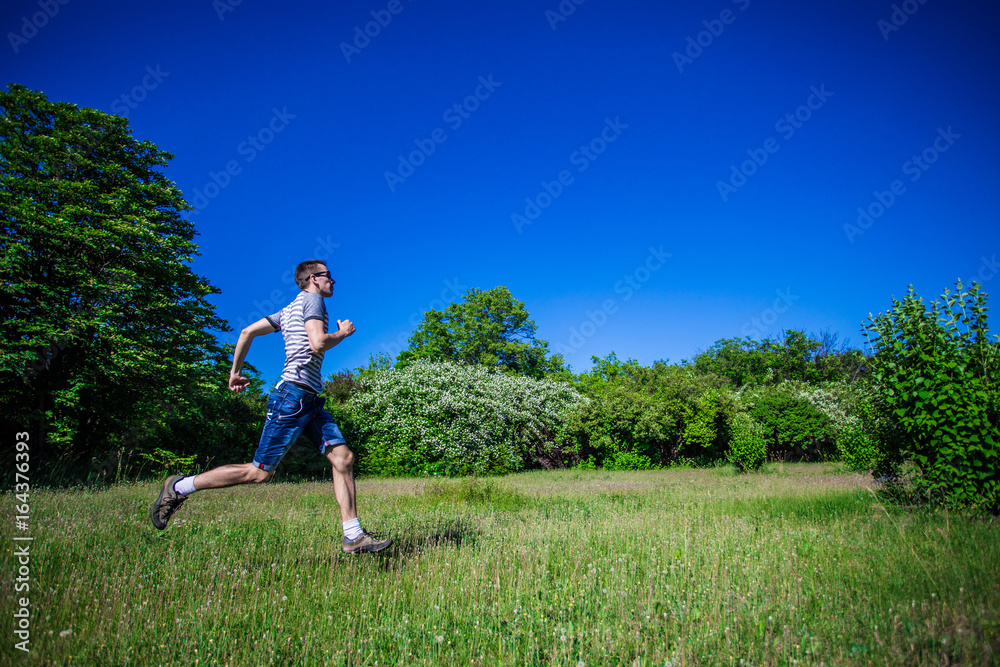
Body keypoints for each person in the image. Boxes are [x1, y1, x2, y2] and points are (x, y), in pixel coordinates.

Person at [149, 260, 391, 554]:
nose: (333, 281)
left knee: (343, 458)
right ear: (313, 279)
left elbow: (246, 333)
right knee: (258, 473)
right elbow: (317, 343)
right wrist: (343, 333)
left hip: (309, 399)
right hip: (293, 398)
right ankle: (179, 487)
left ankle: (353, 536)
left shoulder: (287, 310)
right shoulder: (313, 300)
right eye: (328, 276)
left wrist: (234, 373)